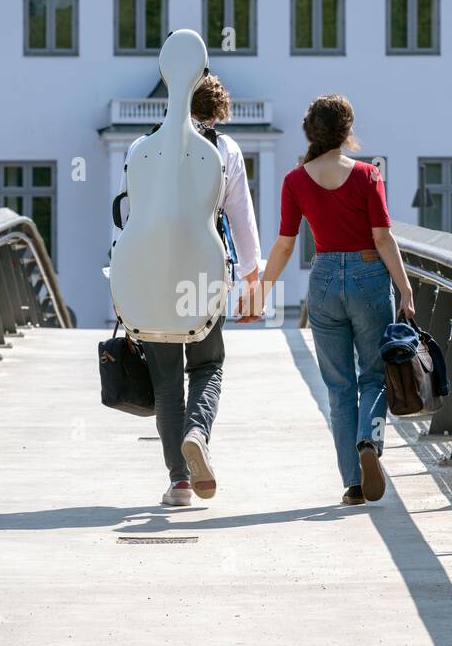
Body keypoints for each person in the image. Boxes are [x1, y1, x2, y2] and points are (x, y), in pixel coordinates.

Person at [243, 94, 415, 505]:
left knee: (339, 387)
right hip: (369, 276)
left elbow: (285, 245)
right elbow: (382, 237)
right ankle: (368, 442)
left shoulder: (295, 180)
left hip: (322, 281)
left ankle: (353, 485)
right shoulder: (367, 175)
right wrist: (405, 289)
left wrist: (261, 291)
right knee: (374, 376)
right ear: (347, 130)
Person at [118, 72, 264, 507]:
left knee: (165, 382)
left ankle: (179, 483)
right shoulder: (225, 149)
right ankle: (197, 433)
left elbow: (129, 220)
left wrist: (126, 289)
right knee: (207, 365)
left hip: (151, 271)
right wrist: (254, 280)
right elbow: (242, 220)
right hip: (204, 272)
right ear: (218, 110)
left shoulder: (141, 148)